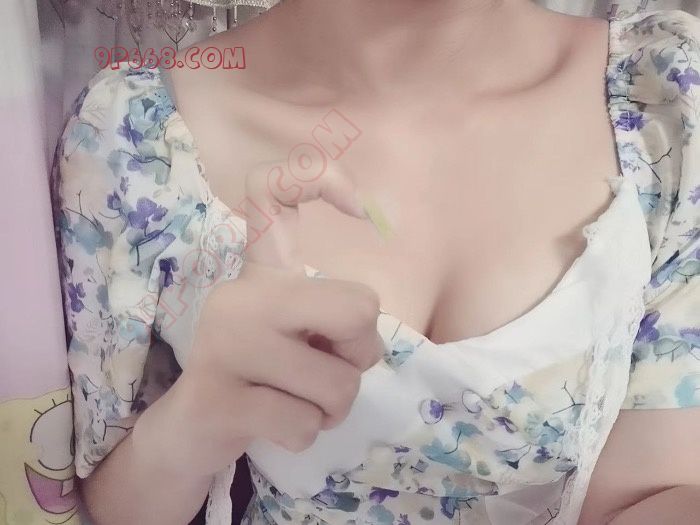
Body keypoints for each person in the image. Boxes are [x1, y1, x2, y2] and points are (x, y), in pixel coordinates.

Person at [50, 1, 700, 524]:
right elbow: (100, 503)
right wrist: (189, 426)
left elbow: (648, 494)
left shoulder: (665, 99)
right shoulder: (134, 136)